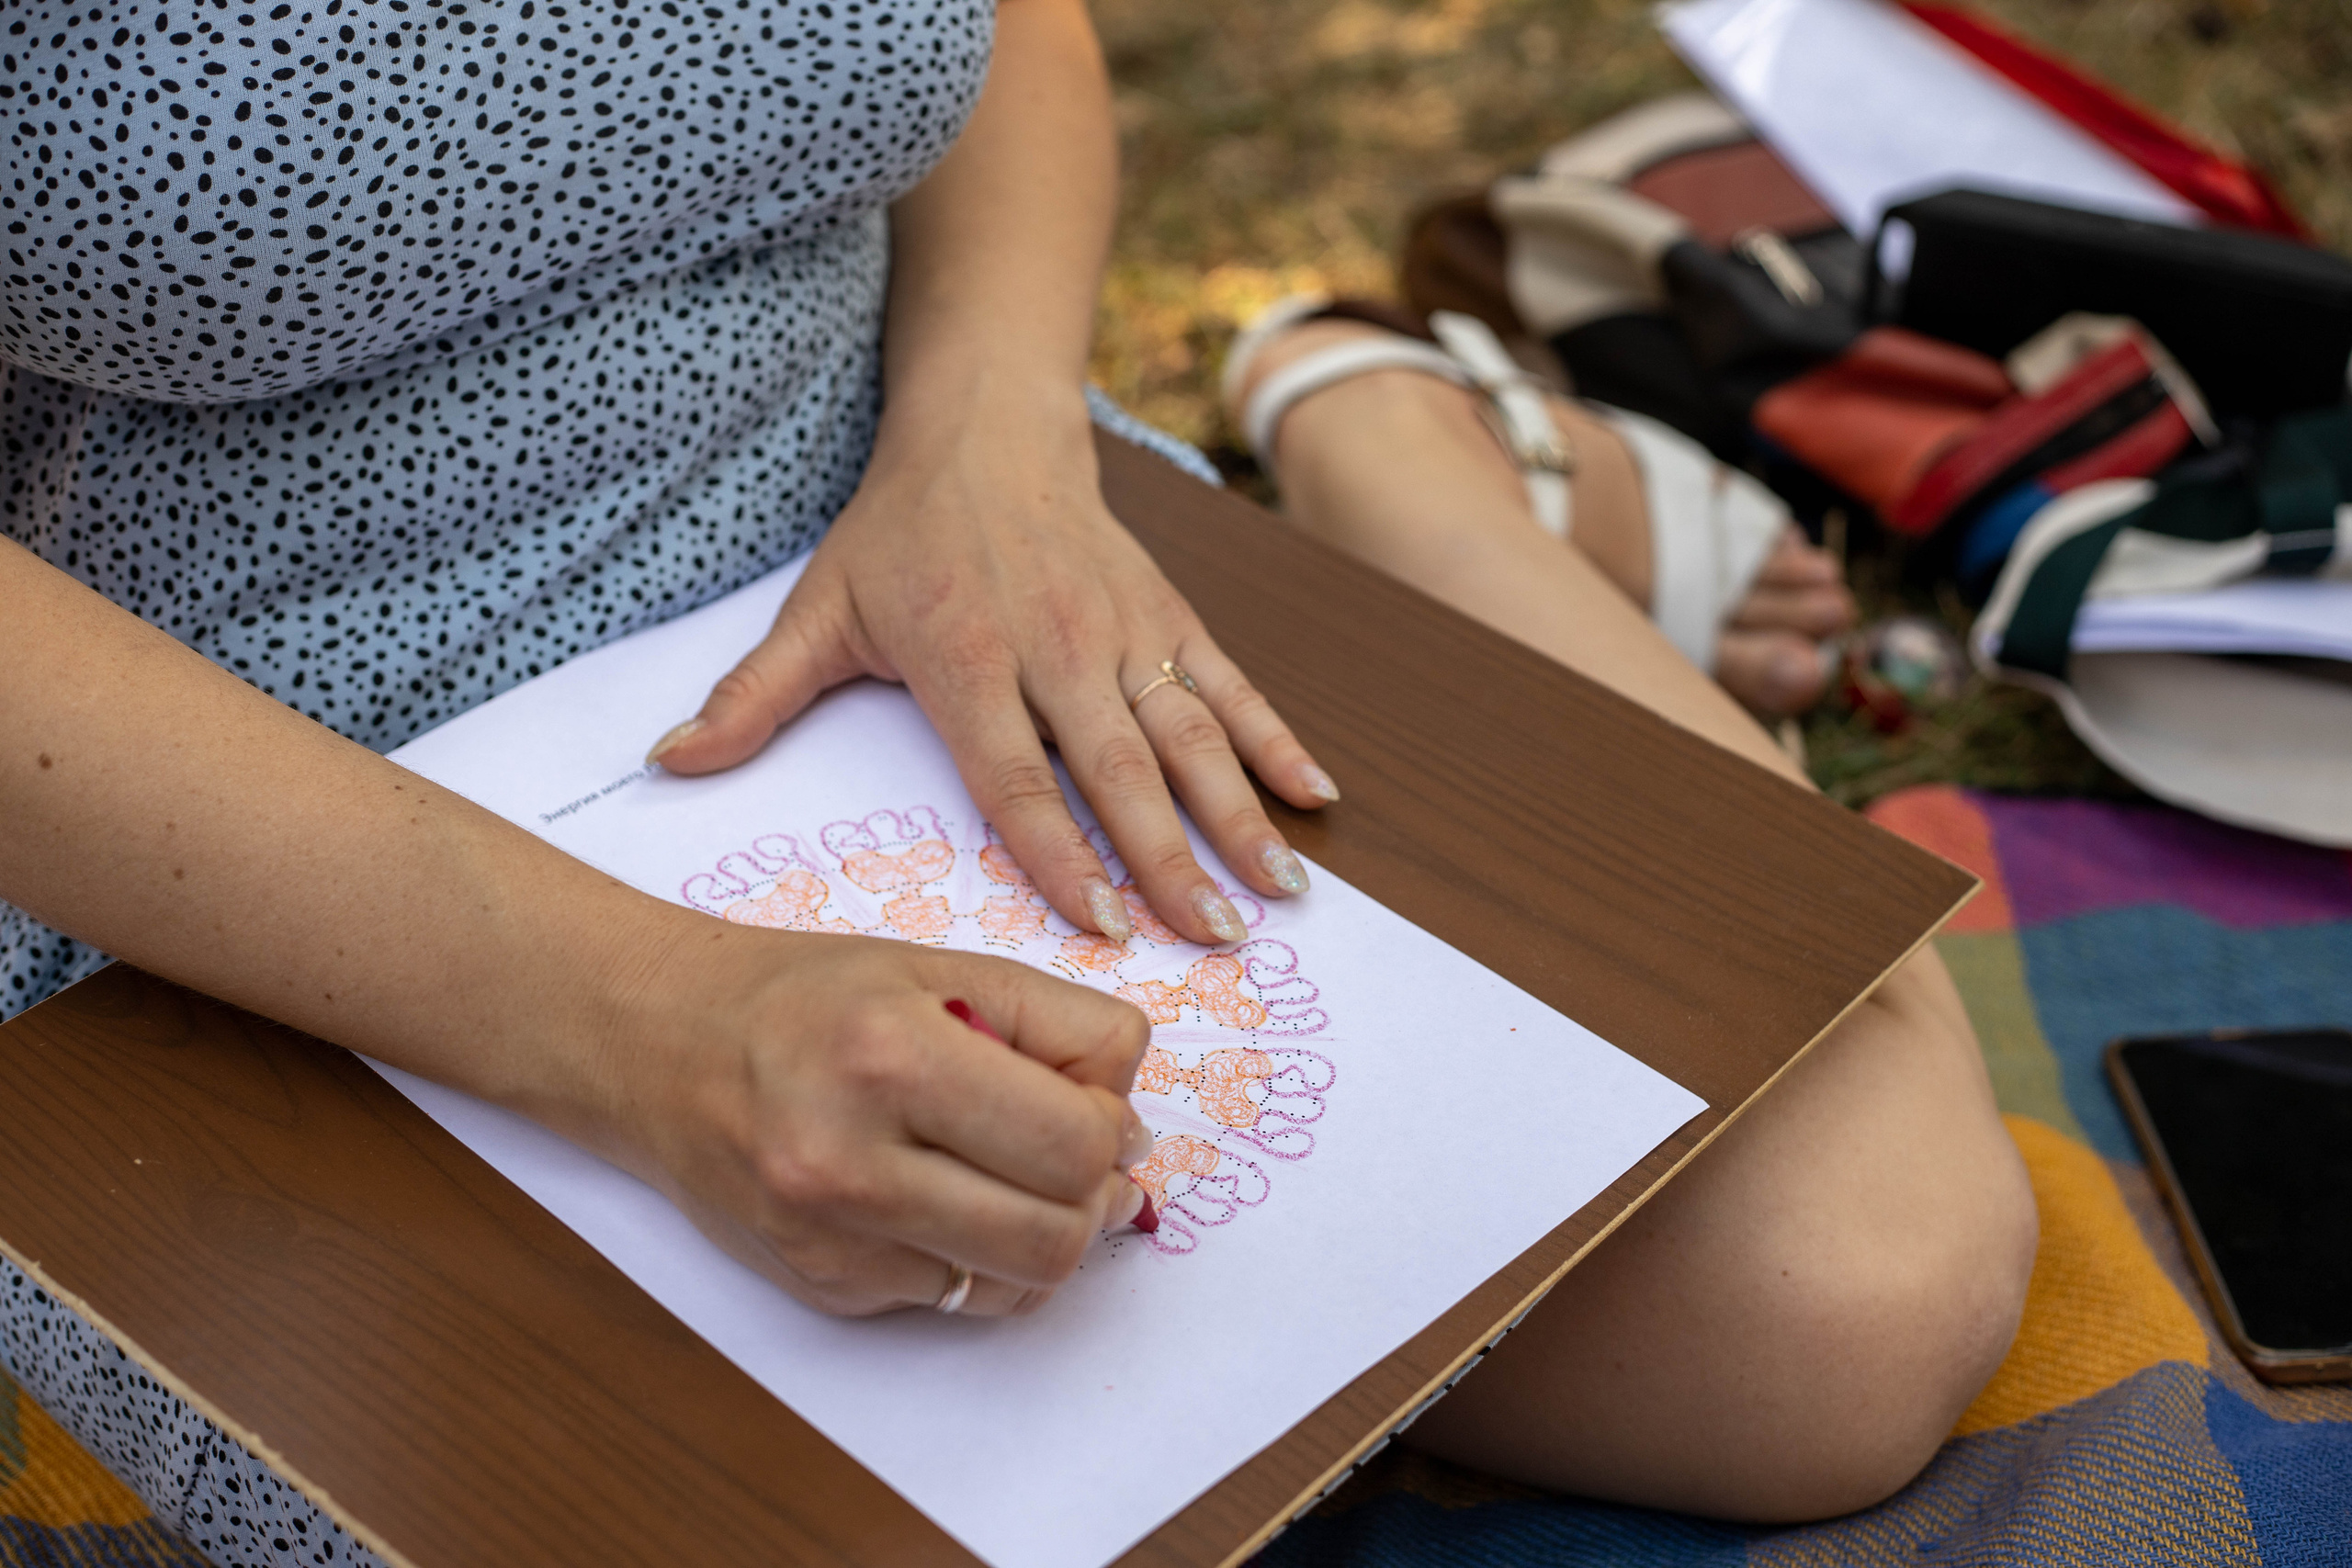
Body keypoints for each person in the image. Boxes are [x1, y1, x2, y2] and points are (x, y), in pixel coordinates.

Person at [0, 0, 2033, 1537]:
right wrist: (640, 1027)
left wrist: (988, 439)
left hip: (940, 526)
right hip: (227, 824)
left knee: (1844, 1297)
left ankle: (1383, 428)